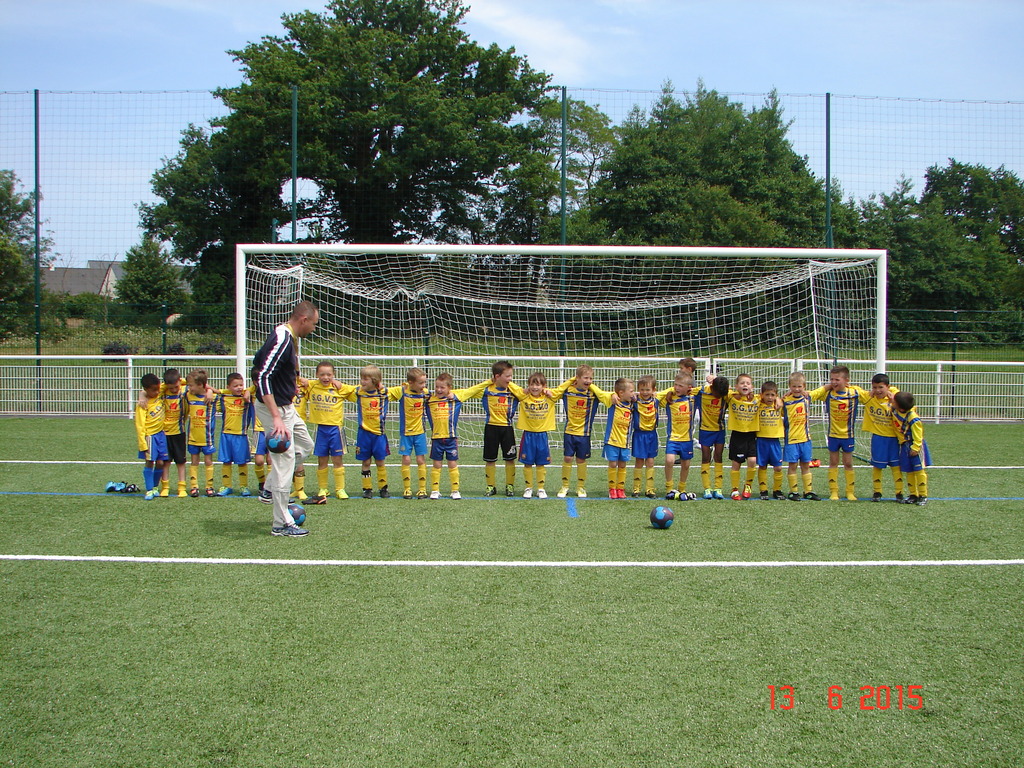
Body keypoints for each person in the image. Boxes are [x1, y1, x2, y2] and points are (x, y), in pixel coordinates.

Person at [251, 300, 318, 536]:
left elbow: (260, 362)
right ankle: (281, 523)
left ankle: (269, 488)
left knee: (306, 446)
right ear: (303, 320)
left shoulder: (288, 337)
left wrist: (290, 383)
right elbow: (262, 376)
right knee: (284, 463)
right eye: (313, 324)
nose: (314, 329)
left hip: (287, 406)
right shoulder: (282, 338)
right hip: (276, 410)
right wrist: (275, 417)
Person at [810, 365, 868, 501]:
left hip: (848, 435)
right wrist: (826, 387)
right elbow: (811, 395)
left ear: (846, 380)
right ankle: (834, 491)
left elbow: (871, 396)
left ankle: (850, 492)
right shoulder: (828, 394)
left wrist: (892, 392)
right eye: (832, 379)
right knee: (833, 462)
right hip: (833, 435)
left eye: (837, 379)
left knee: (848, 463)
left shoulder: (854, 392)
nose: (834, 382)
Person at [425, 372, 481, 499]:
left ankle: (455, 490)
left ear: (449, 388)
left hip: (451, 438)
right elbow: (417, 392)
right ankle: (435, 490)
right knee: (436, 464)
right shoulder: (429, 399)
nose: (439, 390)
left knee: (452, 463)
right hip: (436, 438)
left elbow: (472, 391)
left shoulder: (455, 398)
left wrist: (489, 382)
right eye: (437, 387)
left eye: (442, 387)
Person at [549, 364, 602, 498]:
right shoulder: (568, 391)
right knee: (567, 458)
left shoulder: (593, 394)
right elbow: (554, 394)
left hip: (584, 434)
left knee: (581, 459)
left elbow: (605, 396)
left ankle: (580, 487)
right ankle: (565, 486)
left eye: (591, 378)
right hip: (570, 431)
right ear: (577, 378)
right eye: (585, 378)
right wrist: (569, 381)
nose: (588, 381)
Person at [301, 361, 350, 504]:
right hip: (320, 429)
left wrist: (341, 385)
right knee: (321, 460)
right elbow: (297, 380)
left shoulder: (340, 388)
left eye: (329, 374)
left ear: (334, 375)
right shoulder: (312, 385)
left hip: (336, 429)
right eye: (322, 374)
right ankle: (323, 488)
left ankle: (340, 489)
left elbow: (357, 391)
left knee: (337, 459)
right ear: (317, 375)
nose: (326, 377)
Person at [342, 365, 391, 498]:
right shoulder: (358, 393)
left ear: (374, 381)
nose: (362, 381)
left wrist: (381, 386)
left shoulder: (384, 393)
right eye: (361, 378)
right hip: (363, 434)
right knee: (366, 462)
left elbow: (403, 389)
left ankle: (383, 487)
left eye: (365, 379)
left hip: (379, 435)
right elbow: (344, 388)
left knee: (380, 462)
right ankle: (367, 488)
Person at [474, 361, 520, 497]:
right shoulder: (487, 390)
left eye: (511, 376)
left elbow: (524, 395)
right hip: (491, 428)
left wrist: (510, 384)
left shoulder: (513, 391)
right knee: (490, 459)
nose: (510, 379)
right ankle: (490, 486)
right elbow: (471, 391)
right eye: (508, 376)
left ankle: (509, 486)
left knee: (510, 458)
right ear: (497, 376)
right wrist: (489, 382)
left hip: (507, 428)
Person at [859, 373, 905, 502]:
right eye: (874, 387)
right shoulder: (869, 397)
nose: (877, 390)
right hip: (878, 438)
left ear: (888, 387)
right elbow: (853, 389)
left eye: (881, 387)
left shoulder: (896, 398)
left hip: (894, 438)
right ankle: (877, 492)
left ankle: (899, 493)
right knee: (877, 466)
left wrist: (893, 400)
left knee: (896, 466)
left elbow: (907, 406)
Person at [388, 367, 430, 499]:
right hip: (406, 433)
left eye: (425, 382)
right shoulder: (402, 391)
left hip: (420, 433)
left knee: (420, 459)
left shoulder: (425, 393)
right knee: (406, 459)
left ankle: (422, 489)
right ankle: (407, 489)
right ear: (411, 382)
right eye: (421, 383)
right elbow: (384, 392)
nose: (424, 385)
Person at [515, 372, 559, 498]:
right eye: (532, 385)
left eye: (538, 385)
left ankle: (541, 488)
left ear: (544, 386)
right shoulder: (524, 397)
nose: (534, 387)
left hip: (542, 435)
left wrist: (549, 391)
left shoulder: (549, 397)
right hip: (528, 435)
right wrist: (524, 390)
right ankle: (528, 488)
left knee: (541, 463)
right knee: (527, 462)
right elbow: (512, 387)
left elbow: (561, 389)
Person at [213, 373, 253, 497]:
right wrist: (218, 391)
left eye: (241, 385)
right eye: (235, 386)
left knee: (242, 462)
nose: (239, 388)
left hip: (241, 435)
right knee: (226, 461)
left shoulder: (247, 396)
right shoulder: (224, 397)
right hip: (226, 434)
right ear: (228, 387)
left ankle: (243, 486)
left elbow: (255, 387)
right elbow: (212, 390)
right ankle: (226, 486)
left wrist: (247, 390)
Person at [595, 377, 636, 499]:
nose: (633, 393)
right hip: (612, 441)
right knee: (613, 464)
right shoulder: (613, 403)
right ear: (621, 393)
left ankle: (620, 488)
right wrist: (612, 394)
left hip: (625, 442)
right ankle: (612, 489)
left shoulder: (633, 404)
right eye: (631, 391)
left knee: (622, 465)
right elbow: (599, 392)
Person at [781, 372, 819, 501]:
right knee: (792, 466)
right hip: (791, 440)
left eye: (799, 386)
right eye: (794, 386)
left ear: (804, 386)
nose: (797, 389)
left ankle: (808, 491)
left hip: (806, 439)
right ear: (789, 386)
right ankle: (793, 491)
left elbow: (823, 389)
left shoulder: (807, 398)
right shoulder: (785, 401)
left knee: (805, 466)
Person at [658, 372, 696, 500]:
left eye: (680, 386)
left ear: (688, 388)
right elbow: (657, 397)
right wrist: (670, 390)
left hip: (687, 439)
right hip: (673, 438)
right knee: (669, 461)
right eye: (675, 385)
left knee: (686, 465)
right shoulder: (669, 399)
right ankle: (669, 488)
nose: (677, 388)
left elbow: (704, 391)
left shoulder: (692, 399)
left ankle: (682, 488)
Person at [891, 391, 930, 506]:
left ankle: (923, 495)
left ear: (901, 407)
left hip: (914, 446)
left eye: (894, 401)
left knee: (919, 470)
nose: (892, 402)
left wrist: (916, 447)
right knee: (909, 471)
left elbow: (918, 435)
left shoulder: (913, 418)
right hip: (904, 445)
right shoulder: (895, 411)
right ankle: (913, 494)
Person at [695, 375, 730, 499]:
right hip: (705, 430)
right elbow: (685, 389)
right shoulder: (701, 392)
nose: (718, 397)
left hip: (719, 430)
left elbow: (739, 393)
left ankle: (718, 488)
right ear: (712, 388)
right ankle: (707, 488)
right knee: (705, 457)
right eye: (717, 394)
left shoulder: (726, 395)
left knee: (719, 456)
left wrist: (715, 378)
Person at [726, 373, 759, 500]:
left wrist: (778, 399)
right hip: (737, 434)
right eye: (742, 383)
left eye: (748, 383)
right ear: (736, 386)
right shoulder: (731, 397)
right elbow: (722, 389)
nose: (745, 385)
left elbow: (772, 396)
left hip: (751, 434)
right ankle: (734, 489)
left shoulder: (757, 399)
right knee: (736, 463)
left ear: (752, 387)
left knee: (752, 461)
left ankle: (748, 485)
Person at [135, 373, 168, 501]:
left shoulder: (160, 393)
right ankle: (149, 489)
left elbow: (179, 381)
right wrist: (142, 443)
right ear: (146, 389)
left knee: (161, 462)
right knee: (150, 461)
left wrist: (142, 393)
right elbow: (140, 425)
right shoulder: (143, 404)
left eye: (158, 388)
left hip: (161, 434)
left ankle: (155, 487)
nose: (157, 391)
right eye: (153, 390)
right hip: (150, 436)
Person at [183, 368, 216, 497]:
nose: (189, 387)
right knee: (194, 461)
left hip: (207, 438)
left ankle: (209, 486)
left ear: (200, 385)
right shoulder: (188, 395)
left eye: (191, 385)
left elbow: (222, 392)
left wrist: (209, 391)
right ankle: (194, 486)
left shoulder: (212, 398)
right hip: (193, 437)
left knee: (208, 461)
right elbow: (177, 382)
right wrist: (208, 389)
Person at [631, 374, 660, 498]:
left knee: (650, 461)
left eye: (647, 389)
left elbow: (669, 392)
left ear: (653, 390)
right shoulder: (634, 401)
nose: (645, 392)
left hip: (652, 435)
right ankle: (636, 488)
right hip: (639, 435)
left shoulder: (656, 401)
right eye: (642, 389)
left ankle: (649, 489)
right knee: (639, 461)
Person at [755, 381, 786, 500]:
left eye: (772, 395)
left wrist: (778, 399)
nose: (769, 397)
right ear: (762, 395)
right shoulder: (758, 404)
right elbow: (753, 396)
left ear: (776, 395)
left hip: (775, 441)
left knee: (778, 467)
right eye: (767, 395)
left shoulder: (778, 405)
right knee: (762, 466)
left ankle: (777, 490)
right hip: (761, 440)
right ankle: (763, 490)